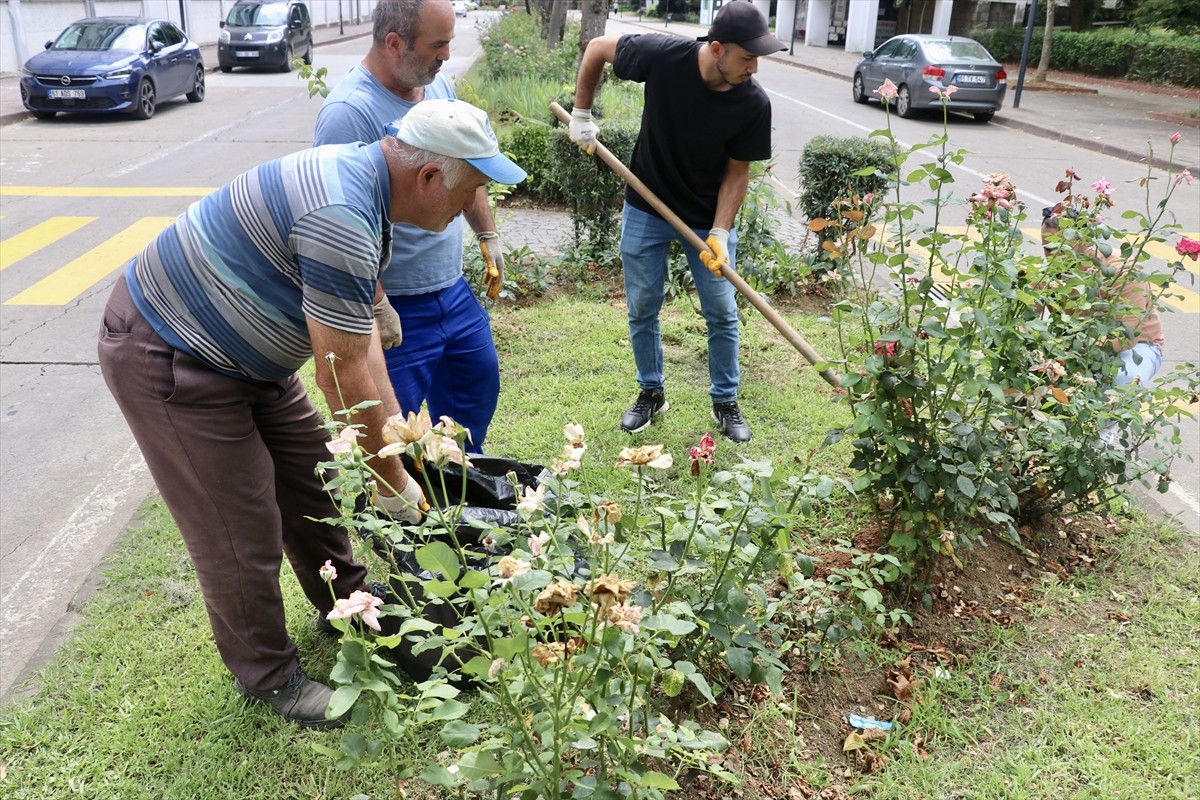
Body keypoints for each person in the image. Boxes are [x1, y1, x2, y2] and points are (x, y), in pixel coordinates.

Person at [97, 99, 525, 728]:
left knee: (312, 480)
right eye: (468, 193)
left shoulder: (370, 185)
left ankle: (346, 600)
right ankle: (270, 676)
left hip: (253, 363)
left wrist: (399, 443)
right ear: (430, 176)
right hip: (172, 353)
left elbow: (362, 353)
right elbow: (341, 377)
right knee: (238, 526)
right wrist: (394, 487)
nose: (469, 208)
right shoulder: (342, 215)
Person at [568, 0, 784, 443]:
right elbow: (596, 49)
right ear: (718, 49)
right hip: (646, 205)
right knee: (643, 306)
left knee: (721, 310)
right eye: (747, 58)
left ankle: (725, 401)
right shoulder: (663, 56)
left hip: (706, 218)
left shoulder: (752, 103)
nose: (754, 68)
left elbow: (737, 173)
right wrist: (582, 114)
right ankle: (651, 392)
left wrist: (720, 232)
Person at [314, 0, 507, 453]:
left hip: (451, 289)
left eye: (448, 43)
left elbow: (467, 166)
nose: (446, 56)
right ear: (394, 43)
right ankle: (408, 494)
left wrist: (487, 233)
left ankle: (460, 482)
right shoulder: (348, 112)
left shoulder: (437, 85)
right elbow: (337, 226)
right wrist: (377, 303)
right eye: (437, 45)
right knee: (394, 431)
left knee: (475, 389)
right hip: (395, 302)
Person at [1041, 208, 1165, 443]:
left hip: (1137, 347)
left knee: (1123, 377)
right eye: (1047, 248)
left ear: (1085, 243)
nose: (1051, 256)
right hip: (1080, 343)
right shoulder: (1051, 273)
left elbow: (1126, 336)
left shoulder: (1122, 272)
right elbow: (1028, 316)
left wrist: (1075, 354)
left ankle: (1102, 434)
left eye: (1059, 249)